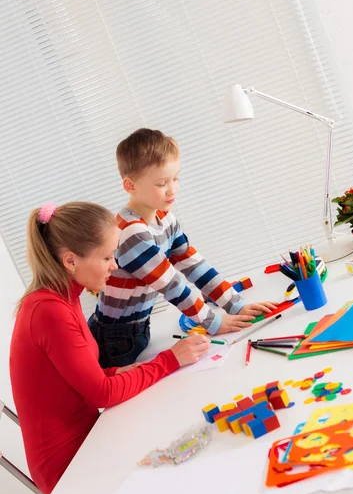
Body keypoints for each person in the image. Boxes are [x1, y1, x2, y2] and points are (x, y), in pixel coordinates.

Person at [9, 202, 209, 494]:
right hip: (69, 465)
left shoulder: (64, 296)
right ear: (70, 261)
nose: (115, 266)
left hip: (92, 435)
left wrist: (124, 371)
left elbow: (78, 377)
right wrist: (170, 360)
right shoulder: (49, 311)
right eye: (106, 257)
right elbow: (102, 392)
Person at [90, 128, 276, 368]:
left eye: (175, 178)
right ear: (130, 185)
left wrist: (235, 304)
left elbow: (194, 265)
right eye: (161, 183)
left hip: (138, 327)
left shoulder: (164, 218)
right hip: (114, 338)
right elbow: (172, 285)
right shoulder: (131, 233)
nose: (172, 189)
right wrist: (213, 322)